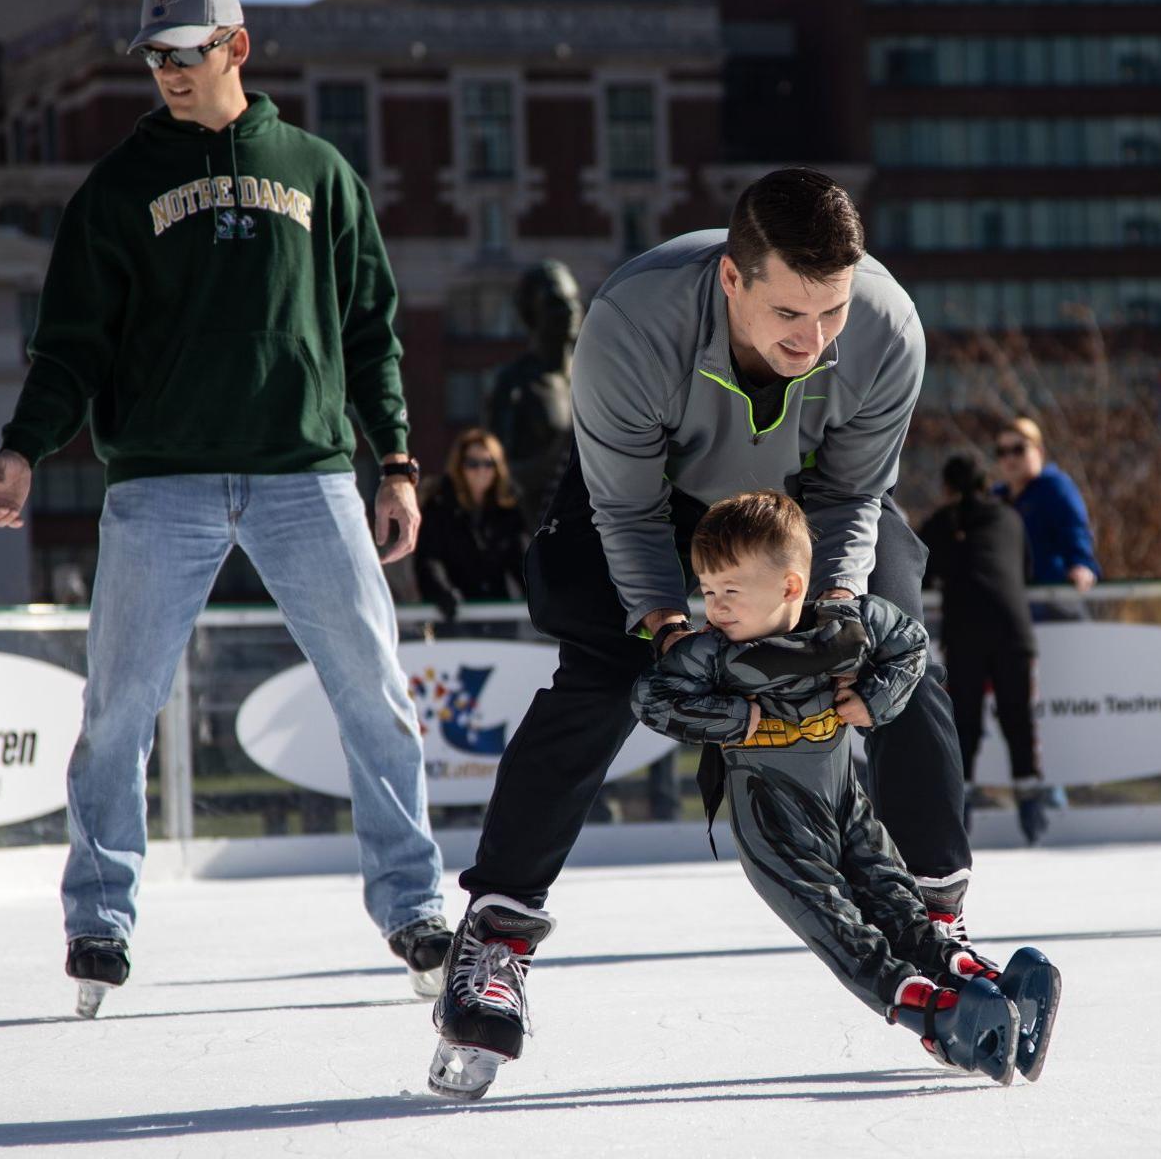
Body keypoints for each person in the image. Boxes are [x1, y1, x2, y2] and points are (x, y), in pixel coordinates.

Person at [425, 168, 973, 1097]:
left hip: (806, 505)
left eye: (831, 312)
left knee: (895, 650)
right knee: (601, 674)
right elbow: (629, 515)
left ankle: (934, 913)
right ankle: (498, 930)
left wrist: (833, 617)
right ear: (732, 278)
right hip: (655, 504)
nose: (814, 340)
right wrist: (675, 635)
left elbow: (850, 495)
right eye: (790, 315)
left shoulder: (886, 329)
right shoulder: (632, 323)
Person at [0, 0, 449, 1017]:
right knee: (119, 708)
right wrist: (23, 446)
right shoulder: (118, 186)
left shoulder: (320, 173)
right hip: (162, 480)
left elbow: (371, 331)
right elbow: (70, 345)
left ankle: (415, 906)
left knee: (374, 696)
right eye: (153, 57)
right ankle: (100, 921)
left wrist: (398, 460)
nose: (168, 73)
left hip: (307, 473)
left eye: (185, 54)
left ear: (236, 47)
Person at [616, 492, 1055, 1093]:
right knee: (848, 934)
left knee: (901, 906)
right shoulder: (711, 657)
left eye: (730, 590)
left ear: (791, 585)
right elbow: (650, 698)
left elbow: (911, 645)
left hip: (847, 808)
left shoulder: (842, 629)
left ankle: (981, 978)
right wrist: (726, 719)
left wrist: (876, 700)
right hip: (775, 826)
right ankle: (938, 1014)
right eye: (708, 590)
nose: (714, 607)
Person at [920, 453, 1049, 845]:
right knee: (1018, 719)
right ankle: (1033, 812)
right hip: (1014, 630)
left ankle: (962, 813)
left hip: (965, 634)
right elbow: (1025, 568)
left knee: (965, 725)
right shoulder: (1009, 518)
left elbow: (918, 566)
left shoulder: (944, 523)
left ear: (947, 488)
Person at [484, 260, 583, 526]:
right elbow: (495, 476)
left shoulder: (595, 378)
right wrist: (559, 454)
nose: (570, 310)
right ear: (531, 312)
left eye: (574, 300)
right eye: (555, 302)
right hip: (536, 531)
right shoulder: (513, 383)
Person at [414, 428, 529, 620]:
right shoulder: (439, 505)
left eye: (488, 463)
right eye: (472, 464)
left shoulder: (508, 509)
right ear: (459, 466)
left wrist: (536, 594)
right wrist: (442, 593)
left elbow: (522, 560)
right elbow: (428, 560)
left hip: (498, 613)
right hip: (453, 615)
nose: (481, 470)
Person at [994, 417, 1101, 592]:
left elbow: (1076, 533)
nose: (1010, 458)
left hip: (1053, 597)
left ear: (1039, 451)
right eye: (1002, 452)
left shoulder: (1055, 488)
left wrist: (1081, 566)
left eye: (1018, 450)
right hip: (1012, 600)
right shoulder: (996, 497)